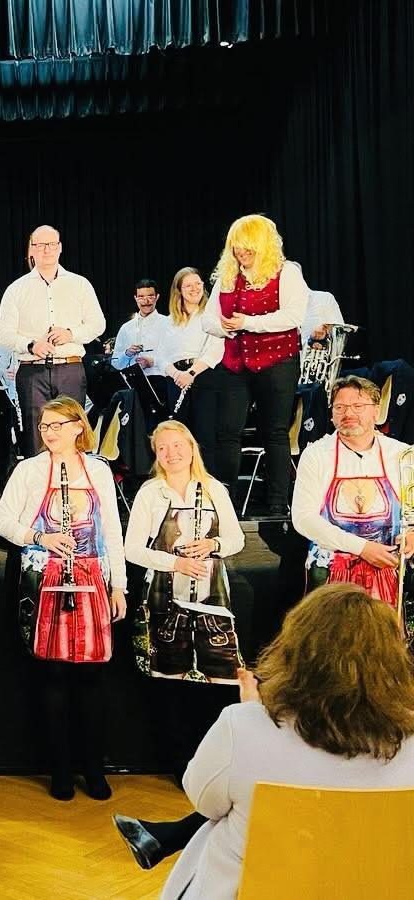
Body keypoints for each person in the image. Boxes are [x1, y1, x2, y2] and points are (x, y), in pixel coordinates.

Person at [157, 584, 414, 898]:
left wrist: (251, 711)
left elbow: (203, 800)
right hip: (370, 889)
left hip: (255, 890)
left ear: (295, 649)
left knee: (221, 821)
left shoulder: (242, 727)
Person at [0, 397, 127, 801]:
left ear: (77, 427)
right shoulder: (29, 470)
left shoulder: (99, 471)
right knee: (52, 676)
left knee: (91, 678)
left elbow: (113, 531)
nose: (48, 432)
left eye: (57, 425)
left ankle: (94, 768)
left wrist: (118, 584)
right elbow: (2, 521)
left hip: (90, 577)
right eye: (44, 426)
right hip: (46, 576)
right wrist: (41, 537)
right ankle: (61, 771)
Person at [124, 421, 245, 779]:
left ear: (191, 448)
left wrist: (213, 545)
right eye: (163, 448)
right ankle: (178, 764)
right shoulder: (151, 492)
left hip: (211, 600)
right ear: (156, 455)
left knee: (218, 685)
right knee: (169, 684)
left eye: (178, 446)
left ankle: (214, 763)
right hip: (165, 599)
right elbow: (133, 549)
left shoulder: (212, 489)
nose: (171, 453)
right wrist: (175, 562)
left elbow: (236, 539)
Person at [200, 214, 309, 515]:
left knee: (274, 431)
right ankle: (226, 504)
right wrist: (227, 328)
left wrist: (249, 322)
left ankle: (277, 503)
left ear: (262, 246)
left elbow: (293, 317)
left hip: (278, 361)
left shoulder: (286, 273)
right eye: (236, 247)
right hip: (237, 361)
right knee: (227, 431)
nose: (241, 253)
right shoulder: (227, 277)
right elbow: (208, 320)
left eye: (247, 247)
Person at [292, 375, 414, 617]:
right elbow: (303, 518)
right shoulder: (317, 455)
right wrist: (362, 548)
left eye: (358, 406)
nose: (348, 413)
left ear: (376, 412)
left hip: (390, 572)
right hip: (331, 573)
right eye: (340, 407)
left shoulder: (402, 454)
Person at [0, 226, 105, 458]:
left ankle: (72, 488)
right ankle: (39, 491)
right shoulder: (16, 289)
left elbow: (98, 324)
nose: (46, 250)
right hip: (32, 371)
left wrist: (71, 333)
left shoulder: (80, 284)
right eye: (39, 245)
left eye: (51, 244)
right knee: (36, 435)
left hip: (70, 368)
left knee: (71, 430)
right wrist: (31, 344)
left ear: (60, 248)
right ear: (31, 250)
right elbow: (4, 334)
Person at [157, 267, 224, 426]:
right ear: (179, 290)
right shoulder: (167, 321)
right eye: (188, 286)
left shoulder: (212, 316)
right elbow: (160, 356)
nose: (195, 289)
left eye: (198, 284)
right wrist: (177, 375)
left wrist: (191, 373)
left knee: (205, 433)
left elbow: (216, 349)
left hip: (204, 377)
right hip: (176, 381)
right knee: (181, 432)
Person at [110, 279, 171, 427]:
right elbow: (115, 363)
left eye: (150, 296)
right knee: (135, 429)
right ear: (135, 298)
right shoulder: (126, 328)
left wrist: (152, 361)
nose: (146, 301)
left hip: (161, 382)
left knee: (159, 426)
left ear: (157, 297)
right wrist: (127, 353)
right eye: (141, 297)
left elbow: (175, 355)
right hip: (133, 384)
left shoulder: (168, 323)